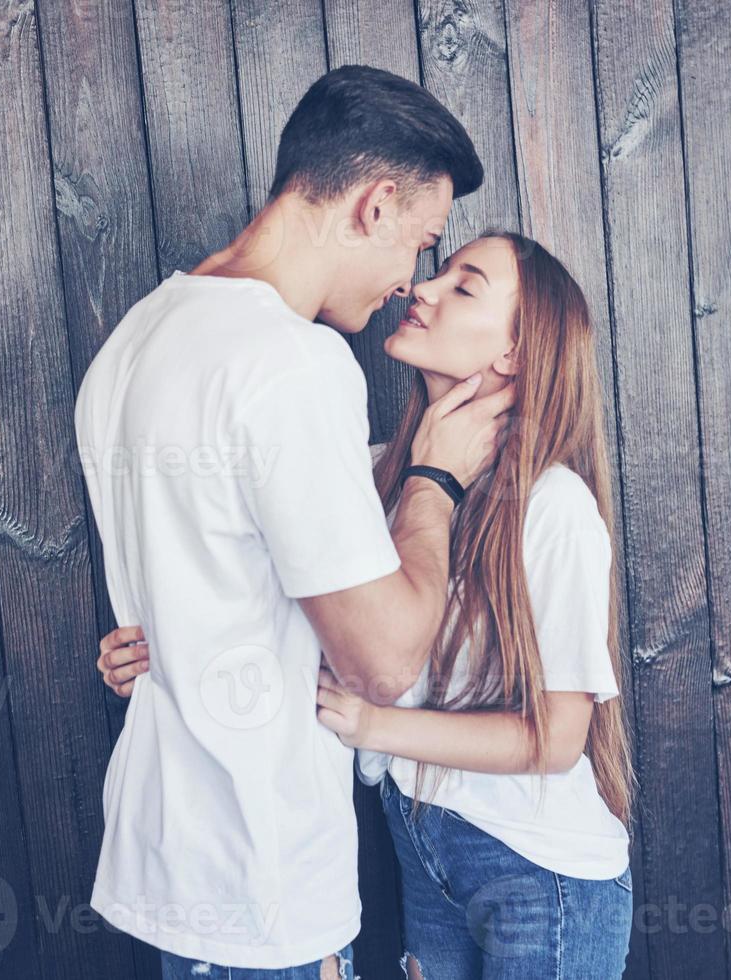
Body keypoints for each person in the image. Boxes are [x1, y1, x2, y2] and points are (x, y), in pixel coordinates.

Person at [100, 232, 637, 979]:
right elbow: (291, 621)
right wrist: (163, 647)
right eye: (437, 269)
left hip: (543, 876)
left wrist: (376, 725)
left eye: (464, 285)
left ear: (514, 351)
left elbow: (557, 741)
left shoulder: (552, 508)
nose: (424, 288)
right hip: (420, 840)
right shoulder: (376, 474)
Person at [74, 65, 512, 980]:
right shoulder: (294, 365)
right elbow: (384, 662)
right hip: (260, 885)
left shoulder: (139, 335)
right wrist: (433, 476)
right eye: (422, 243)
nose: (408, 282)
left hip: (169, 864)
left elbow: (200, 589)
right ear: (375, 205)